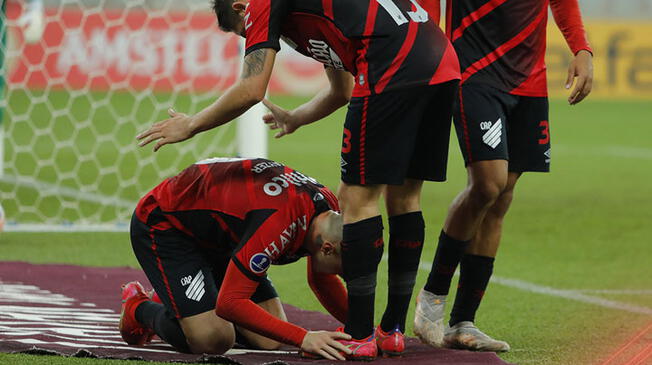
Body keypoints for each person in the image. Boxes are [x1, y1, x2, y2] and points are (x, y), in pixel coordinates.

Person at [136, 0, 460, 359]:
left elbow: (251, 89)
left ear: (242, 8)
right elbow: (341, 90)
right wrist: (298, 117)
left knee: (356, 198)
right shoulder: (322, 19)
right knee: (405, 197)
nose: (257, 38)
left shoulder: (260, 4)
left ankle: (361, 334)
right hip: (440, 59)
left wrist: (192, 124)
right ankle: (391, 330)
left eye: (247, 33)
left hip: (390, 62)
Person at [413, 0, 594, 352]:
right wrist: (427, 50)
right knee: (488, 183)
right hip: (474, 73)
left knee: (502, 196)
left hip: (528, 80)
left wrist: (581, 47)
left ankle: (463, 322)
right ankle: (433, 295)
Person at [120, 157, 353, 361]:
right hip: (165, 224)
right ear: (327, 248)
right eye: (346, 270)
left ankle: (181, 298)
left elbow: (321, 281)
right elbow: (230, 303)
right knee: (213, 339)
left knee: (269, 340)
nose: (344, 276)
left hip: (218, 234)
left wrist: (364, 331)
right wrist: (303, 337)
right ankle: (138, 308)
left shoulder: (327, 210)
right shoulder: (277, 223)